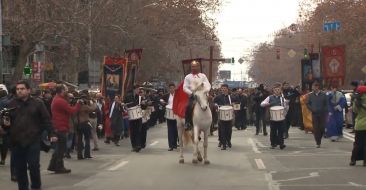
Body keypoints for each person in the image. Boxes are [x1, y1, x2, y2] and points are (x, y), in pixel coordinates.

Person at [6, 80, 57, 190]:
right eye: (18, 89)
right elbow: (6, 123)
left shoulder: (38, 103)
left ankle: (35, 187)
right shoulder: (11, 104)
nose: (19, 91)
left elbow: (46, 119)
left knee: (34, 166)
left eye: (22, 89)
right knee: (20, 169)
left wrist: (52, 133)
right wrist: (5, 124)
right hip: (16, 141)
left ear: (28, 90)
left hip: (33, 140)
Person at [48, 84, 80, 174]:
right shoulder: (60, 101)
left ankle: (53, 166)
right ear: (62, 90)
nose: (67, 91)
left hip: (58, 125)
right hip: (61, 126)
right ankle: (58, 167)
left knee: (59, 147)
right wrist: (78, 104)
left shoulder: (57, 99)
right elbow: (72, 111)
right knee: (61, 148)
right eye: (66, 89)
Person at [183, 60, 211, 130]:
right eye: (192, 66)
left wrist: (206, 91)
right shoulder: (188, 77)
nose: (194, 68)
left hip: (203, 95)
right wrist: (191, 93)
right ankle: (188, 123)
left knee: (213, 106)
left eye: (195, 66)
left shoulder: (203, 76)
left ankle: (213, 123)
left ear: (198, 67)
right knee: (188, 106)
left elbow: (208, 85)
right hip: (193, 96)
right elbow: (185, 87)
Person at [261, 83, 289, 149]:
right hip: (272, 117)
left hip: (281, 117)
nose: (277, 91)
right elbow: (262, 104)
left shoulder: (282, 98)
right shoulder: (269, 97)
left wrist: (286, 104)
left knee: (281, 131)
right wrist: (267, 103)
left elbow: (286, 107)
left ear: (280, 91)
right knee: (273, 131)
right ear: (273, 90)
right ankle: (273, 143)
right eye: (275, 90)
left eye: (278, 90)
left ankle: (281, 144)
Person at [124, 86, 146, 152]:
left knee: (138, 131)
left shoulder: (140, 97)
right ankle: (134, 146)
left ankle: (138, 145)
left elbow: (143, 107)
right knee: (133, 132)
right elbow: (124, 105)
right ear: (134, 90)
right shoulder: (128, 96)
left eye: (138, 89)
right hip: (131, 116)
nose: (138, 91)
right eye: (137, 89)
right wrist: (125, 107)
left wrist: (144, 104)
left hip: (138, 116)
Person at [306, 81, 328, 148]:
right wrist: (312, 109)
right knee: (316, 128)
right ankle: (318, 142)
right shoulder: (310, 95)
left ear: (318, 87)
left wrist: (325, 110)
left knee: (322, 127)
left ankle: (319, 139)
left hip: (322, 114)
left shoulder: (323, 94)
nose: (314, 88)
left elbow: (326, 104)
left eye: (315, 87)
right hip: (314, 114)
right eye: (313, 87)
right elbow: (308, 103)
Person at [350, 85, 366, 166]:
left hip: (360, 125)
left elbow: (355, 111)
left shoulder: (357, 101)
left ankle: (353, 160)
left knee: (357, 143)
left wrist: (355, 101)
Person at [214, 84, 233, 150]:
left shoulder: (230, 97)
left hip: (229, 116)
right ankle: (223, 143)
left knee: (229, 130)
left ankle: (228, 141)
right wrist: (216, 105)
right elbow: (214, 102)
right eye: (222, 88)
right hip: (221, 116)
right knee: (222, 130)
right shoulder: (218, 97)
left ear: (227, 89)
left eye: (225, 88)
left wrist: (233, 104)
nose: (223, 89)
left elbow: (236, 103)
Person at [162, 83, 178, 151]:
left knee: (176, 130)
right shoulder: (166, 95)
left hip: (176, 114)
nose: (171, 89)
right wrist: (162, 102)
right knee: (170, 130)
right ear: (169, 89)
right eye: (170, 88)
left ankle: (174, 144)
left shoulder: (177, 95)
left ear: (175, 88)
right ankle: (170, 145)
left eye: (173, 88)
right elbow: (161, 100)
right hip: (169, 114)